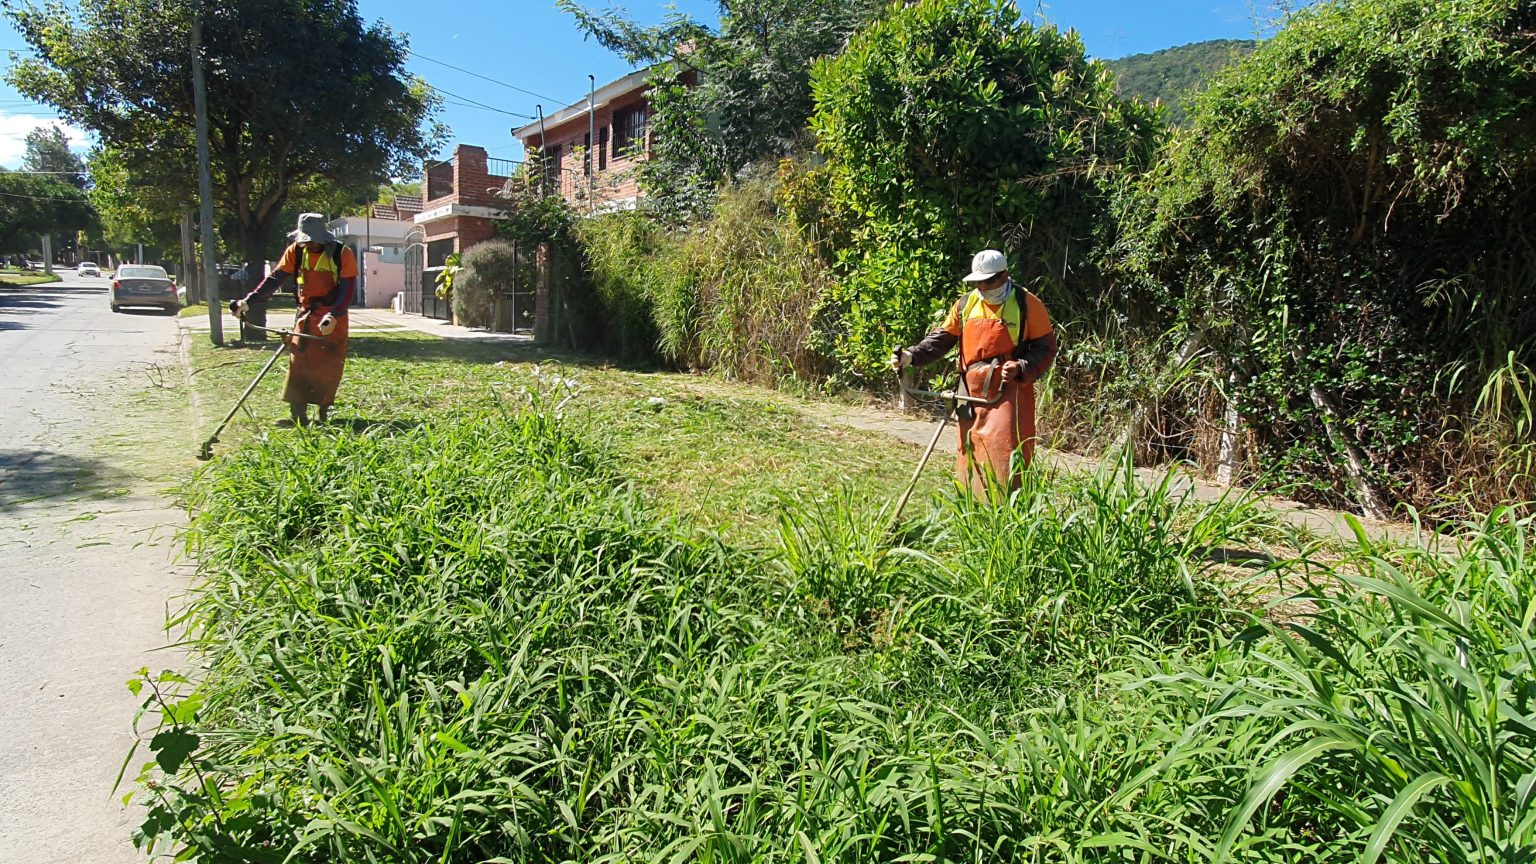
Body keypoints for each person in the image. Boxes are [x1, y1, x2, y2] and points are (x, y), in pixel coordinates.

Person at [892, 249, 1058, 495]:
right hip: (969, 392)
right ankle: (969, 508)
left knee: (1006, 455)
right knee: (968, 452)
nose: (983, 285)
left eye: (990, 280)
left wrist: (1021, 366)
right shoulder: (966, 303)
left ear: (1005, 275)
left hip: (1007, 392)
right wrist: (910, 356)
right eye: (978, 281)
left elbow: (1046, 348)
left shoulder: (1027, 304)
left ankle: (1007, 513)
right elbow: (942, 339)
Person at [230, 213, 357, 427]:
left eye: (313, 239)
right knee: (298, 363)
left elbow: (347, 290)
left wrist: (333, 316)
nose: (310, 243)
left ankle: (322, 414)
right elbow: (275, 279)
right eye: (306, 239)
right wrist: (248, 302)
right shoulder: (296, 252)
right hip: (306, 314)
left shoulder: (341, 253)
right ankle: (298, 415)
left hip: (332, 315)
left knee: (328, 364)